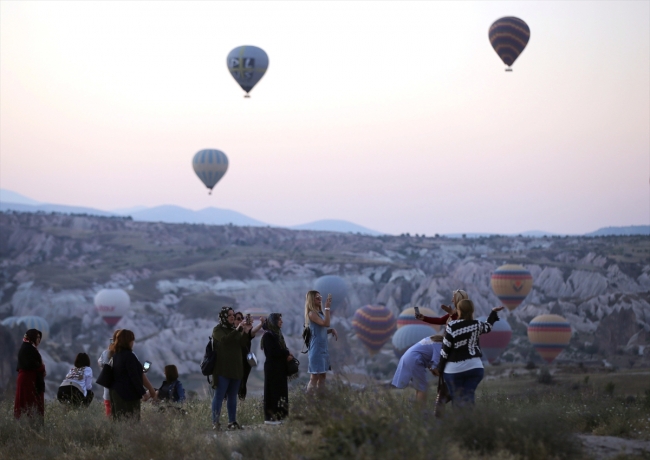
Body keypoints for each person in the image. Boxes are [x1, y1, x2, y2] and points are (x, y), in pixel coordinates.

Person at [437, 299, 504, 407]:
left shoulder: (452, 326)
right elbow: (488, 327)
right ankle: (470, 421)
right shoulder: (476, 324)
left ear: (458, 311)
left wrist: (440, 368)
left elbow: (445, 350)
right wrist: (493, 312)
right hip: (475, 368)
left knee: (457, 400)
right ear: (472, 311)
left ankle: (459, 422)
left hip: (454, 370)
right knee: (468, 396)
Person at [211, 306, 251, 430]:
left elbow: (242, 343)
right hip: (222, 369)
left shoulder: (235, 329)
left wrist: (246, 331)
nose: (232, 317)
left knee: (233, 397)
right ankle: (215, 422)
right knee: (219, 396)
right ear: (223, 317)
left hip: (236, 369)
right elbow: (224, 340)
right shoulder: (217, 329)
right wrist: (237, 330)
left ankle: (232, 422)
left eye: (233, 314)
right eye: (229, 315)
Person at [391, 335, 443, 405]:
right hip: (415, 360)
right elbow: (435, 364)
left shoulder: (432, 340)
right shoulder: (439, 345)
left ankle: (418, 409)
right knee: (423, 388)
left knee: (420, 387)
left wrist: (433, 369)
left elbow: (427, 357)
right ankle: (421, 412)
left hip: (407, 358)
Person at [109, 329, 149, 420]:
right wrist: (143, 392)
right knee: (131, 423)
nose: (133, 342)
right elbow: (134, 376)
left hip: (115, 393)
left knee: (118, 421)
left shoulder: (115, 356)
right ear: (128, 341)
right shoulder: (129, 356)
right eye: (132, 340)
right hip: (128, 395)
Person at [261, 313, 294, 424]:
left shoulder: (277, 334)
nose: (281, 321)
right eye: (279, 320)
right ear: (273, 322)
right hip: (273, 369)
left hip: (280, 368)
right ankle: (272, 418)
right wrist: (286, 353)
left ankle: (282, 416)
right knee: (273, 393)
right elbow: (272, 352)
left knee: (281, 392)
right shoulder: (268, 335)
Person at [305, 290, 338, 392]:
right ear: (311, 300)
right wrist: (327, 308)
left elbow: (321, 329)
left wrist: (330, 330)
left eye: (320, 297)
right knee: (314, 377)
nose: (320, 299)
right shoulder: (312, 314)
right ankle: (308, 399)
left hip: (323, 348)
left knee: (323, 376)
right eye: (317, 297)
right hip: (316, 349)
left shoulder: (319, 313)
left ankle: (321, 399)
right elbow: (326, 323)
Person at [14, 329, 46, 421]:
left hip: (31, 380)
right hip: (27, 381)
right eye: (37, 337)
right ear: (32, 337)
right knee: (28, 405)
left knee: (32, 406)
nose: (39, 340)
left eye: (40, 338)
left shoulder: (30, 348)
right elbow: (32, 365)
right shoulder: (27, 349)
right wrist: (42, 367)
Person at [234, 311, 264, 400]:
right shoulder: (232, 332)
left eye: (241, 318)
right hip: (235, 361)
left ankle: (241, 401)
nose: (240, 320)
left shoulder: (247, 331)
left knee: (243, 382)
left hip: (246, 361)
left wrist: (261, 323)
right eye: (238, 319)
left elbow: (254, 331)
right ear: (234, 321)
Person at [98, 330, 121, 417]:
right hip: (123, 393)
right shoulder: (129, 354)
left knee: (110, 418)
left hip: (108, 392)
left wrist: (109, 350)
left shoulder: (105, 353)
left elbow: (100, 363)